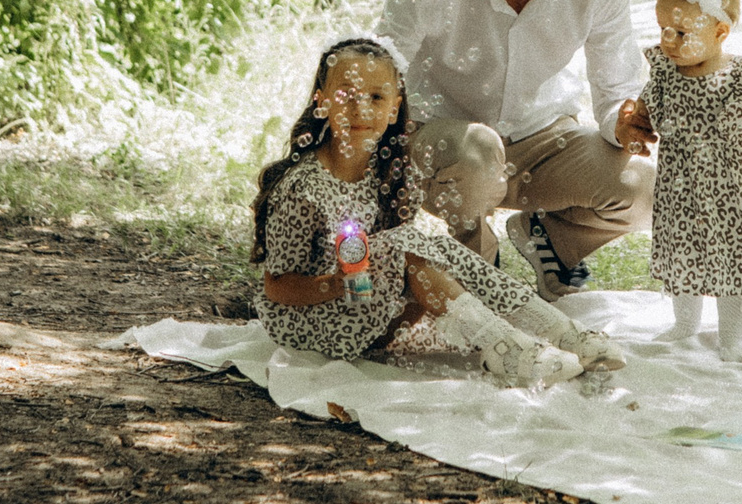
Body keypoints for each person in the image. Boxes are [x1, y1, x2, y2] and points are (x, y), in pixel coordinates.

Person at [250, 36, 626, 386]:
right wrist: (338, 283)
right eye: (346, 94)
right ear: (321, 101)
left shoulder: (387, 171)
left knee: (432, 248)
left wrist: (395, 288)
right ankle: (507, 351)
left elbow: (399, 266)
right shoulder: (302, 189)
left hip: (366, 306)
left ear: (396, 106)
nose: (361, 108)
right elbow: (277, 287)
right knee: (406, 244)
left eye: (377, 98)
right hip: (312, 318)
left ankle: (559, 332)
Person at [380, 0, 655, 298]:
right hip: (442, 147)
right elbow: (381, 69)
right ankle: (481, 278)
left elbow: (616, 91)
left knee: (644, 185)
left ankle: (552, 242)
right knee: (478, 152)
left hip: (541, 141)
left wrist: (621, 121)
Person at [637, 0, 742, 363]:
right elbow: (646, 108)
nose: (669, 40)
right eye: (663, 29)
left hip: (734, 189)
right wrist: (633, 120)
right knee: (682, 251)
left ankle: (731, 337)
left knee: (734, 259)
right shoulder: (665, 72)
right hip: (680, 189)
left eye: (682, 33)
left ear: (720, 32)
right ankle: (685, 324)